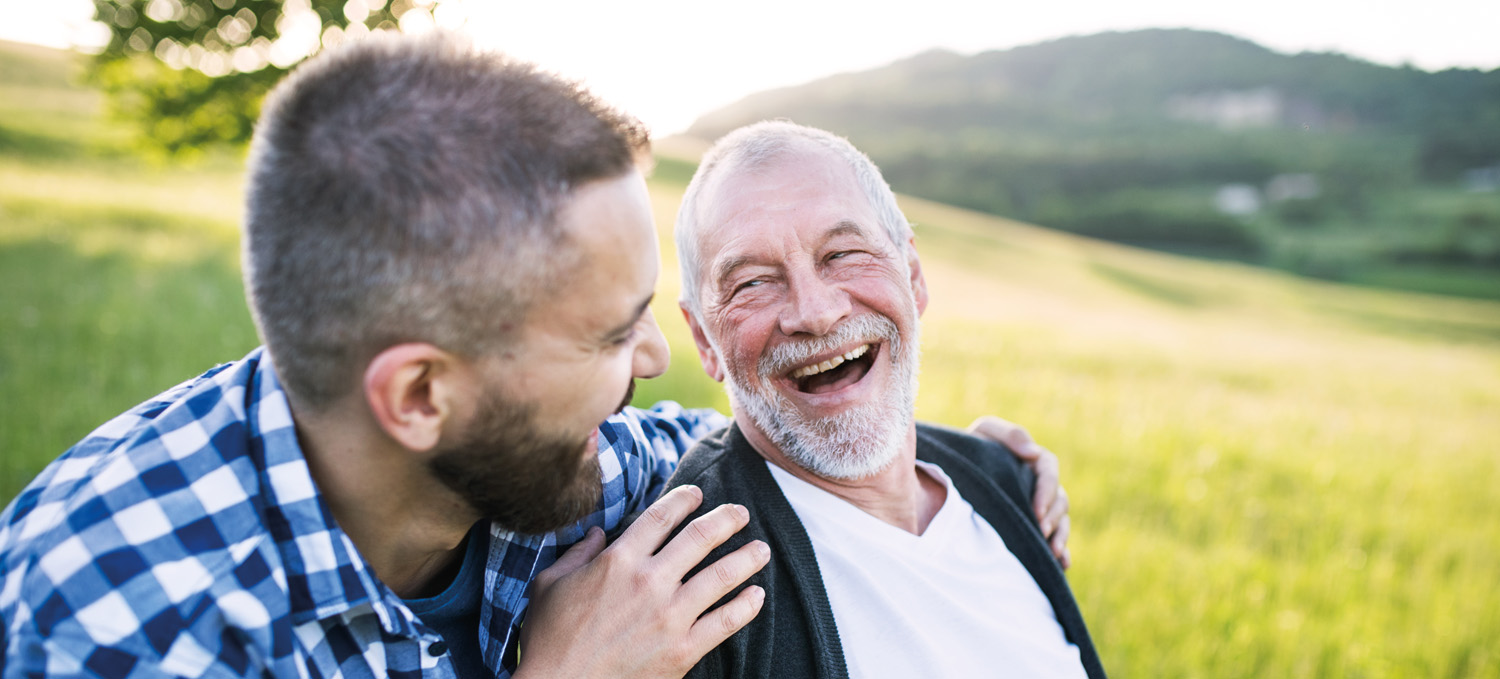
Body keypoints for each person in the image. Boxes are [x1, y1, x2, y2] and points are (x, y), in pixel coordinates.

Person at [0, 35, 1071, 679]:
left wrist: (969, 468)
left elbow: (755, 432)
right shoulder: (122, 624)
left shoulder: (571, 468)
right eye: (611, 334)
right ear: (421, 395)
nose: (658, 359)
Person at [667, 120, 1108, 678]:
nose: (816, 312)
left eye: (843, 253)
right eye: (752, 283)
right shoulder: (694, 594)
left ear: (914, 275)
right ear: (704, 338)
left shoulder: (1007, 482)